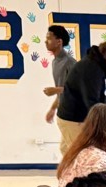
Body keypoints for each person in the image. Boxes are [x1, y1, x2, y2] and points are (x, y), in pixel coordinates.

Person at [56, 36, 106, 154]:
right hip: (74, 119)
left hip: (82, 118)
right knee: (82, 155)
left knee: (70, 154)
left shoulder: (105, 66)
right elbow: (92, 103)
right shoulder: (90, 68)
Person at [43, 25, 76, 153]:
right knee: (65, 149)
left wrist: (55, 90)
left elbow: (77, 88)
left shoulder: (70, 62)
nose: (45, 41)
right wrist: (53, 108)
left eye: (49, 38)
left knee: (73, 150)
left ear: (59, 41)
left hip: (74, 114)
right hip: (64, 112)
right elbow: (63, 89)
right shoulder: (55, 62)